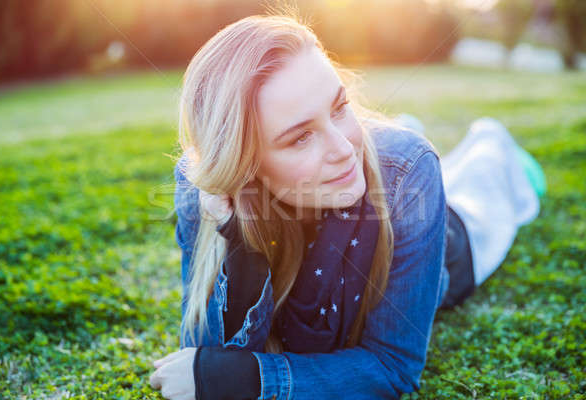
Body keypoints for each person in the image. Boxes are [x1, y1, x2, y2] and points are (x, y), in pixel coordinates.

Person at [149, 12, 544, 400]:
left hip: (450, 239)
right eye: (300, 137)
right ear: (243, 168)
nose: (343, 148)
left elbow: (393, 366)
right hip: (364, 179)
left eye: (340, 107)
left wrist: (250, 380)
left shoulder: (409, 172)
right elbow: (203, 342)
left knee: (487, 159)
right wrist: (235, 238)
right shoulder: (206, 183)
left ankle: (487, 139)